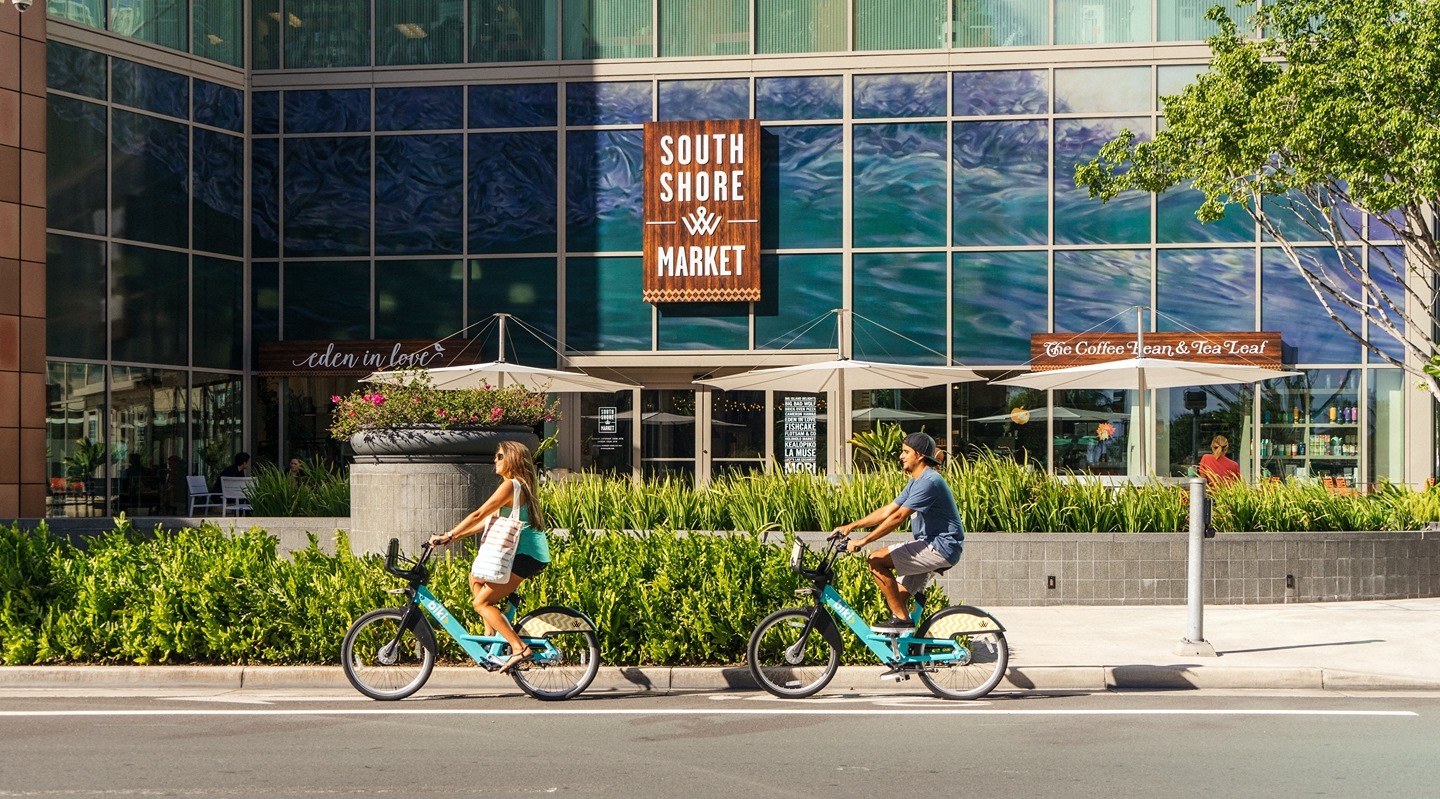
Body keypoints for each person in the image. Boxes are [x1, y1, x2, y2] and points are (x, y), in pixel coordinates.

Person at [428, 440, 551, 673]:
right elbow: (487, 521)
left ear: (512, 460)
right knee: (474, 577)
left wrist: (449, 534)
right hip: (525, 554)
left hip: (526, 556)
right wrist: (450, 538)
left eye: (500, 456)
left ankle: (519, 648)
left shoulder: (511, 485)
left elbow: (479, 513)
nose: (495, 460)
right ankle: (492, 636)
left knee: (481, 602)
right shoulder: (517, 486)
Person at [830, 432, 964, 632]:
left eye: (905, 452)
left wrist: (863, 541)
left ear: (918, 455)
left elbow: (897, 517)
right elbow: (888, 510)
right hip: (932, 544)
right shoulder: (917, 481)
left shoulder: (929, 481)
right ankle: (908, 653)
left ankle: (903, 620)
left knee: (876, 560)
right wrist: (850, 526)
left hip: (939, 547)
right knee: (897, 599)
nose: (901, 456)